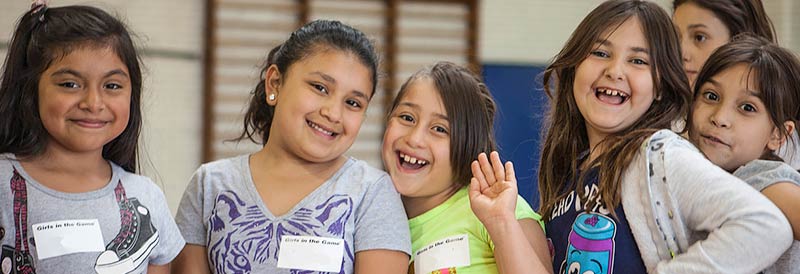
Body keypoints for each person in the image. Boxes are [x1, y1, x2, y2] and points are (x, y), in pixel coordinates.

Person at [533, 0, 791, 273]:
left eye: (638, 60)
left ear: (659, 86)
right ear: (575, 67)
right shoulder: (569, 168)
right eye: (600, 52)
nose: (615, 71)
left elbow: (766, 225)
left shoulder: (659, 156)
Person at [173, 19, 411, 273]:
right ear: (275, 83)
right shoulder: (208, 185)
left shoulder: (372, 193)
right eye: (320, 88)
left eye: (353, 103)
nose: (333, 113)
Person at [0, 2, 185, 273]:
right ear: (31, 89)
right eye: (70, 84)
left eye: (112, 86)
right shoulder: (3, 182)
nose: (93, 102)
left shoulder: (146, 196)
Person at [381, 62, 551, 274]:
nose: (415, 139)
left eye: (439, 129)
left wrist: (501, 223)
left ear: (467, 144)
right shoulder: (377, 219)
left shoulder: (496, 207)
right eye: (407, 117)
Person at [686, 34, 800, 274]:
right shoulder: (688, 164)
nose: (720, 118)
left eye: (747, 108)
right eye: (711, 96)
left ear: (777, 134)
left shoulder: (761, 179)